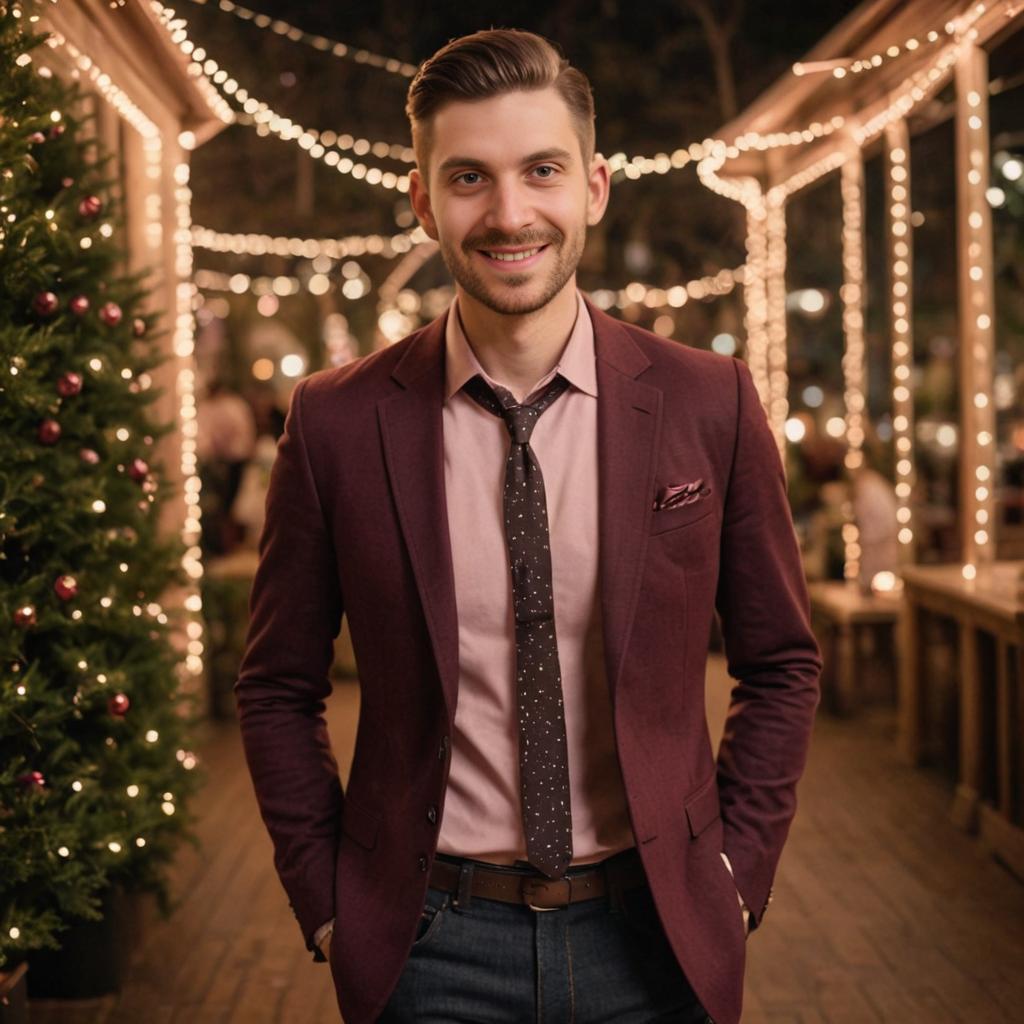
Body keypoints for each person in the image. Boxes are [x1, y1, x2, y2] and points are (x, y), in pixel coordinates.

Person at [235, 29, 821, 1024]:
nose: (509, 214)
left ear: (592, 186)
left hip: (657, 938)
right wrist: (330, 902)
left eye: (539, 170)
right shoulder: (334, 422)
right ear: (423, 200)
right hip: (428, 947)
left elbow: (781, 660)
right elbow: (277, 684)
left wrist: (735, 867)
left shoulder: (707, 401)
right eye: (468, 177)